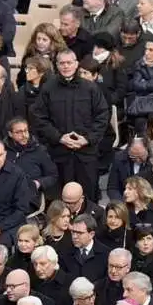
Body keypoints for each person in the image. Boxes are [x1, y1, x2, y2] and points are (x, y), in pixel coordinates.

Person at [31, 49, 109, 201]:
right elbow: (39, 117)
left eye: (69, 63)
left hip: (86, 153)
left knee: (87, 198)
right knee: (59, 200)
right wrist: (59, 137)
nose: (66, 66)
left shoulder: (90, 88)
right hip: (58, 154)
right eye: (62, 63)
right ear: (57, 65)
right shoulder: (48, 88)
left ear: (76, 64)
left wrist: (87, 139)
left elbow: (102, 116)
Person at [61, 213, 111, 282]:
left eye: (79, 233)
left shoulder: (106, 254)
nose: (74, 236)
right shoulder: (65, 252)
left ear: (91, 234)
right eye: (73, 232)